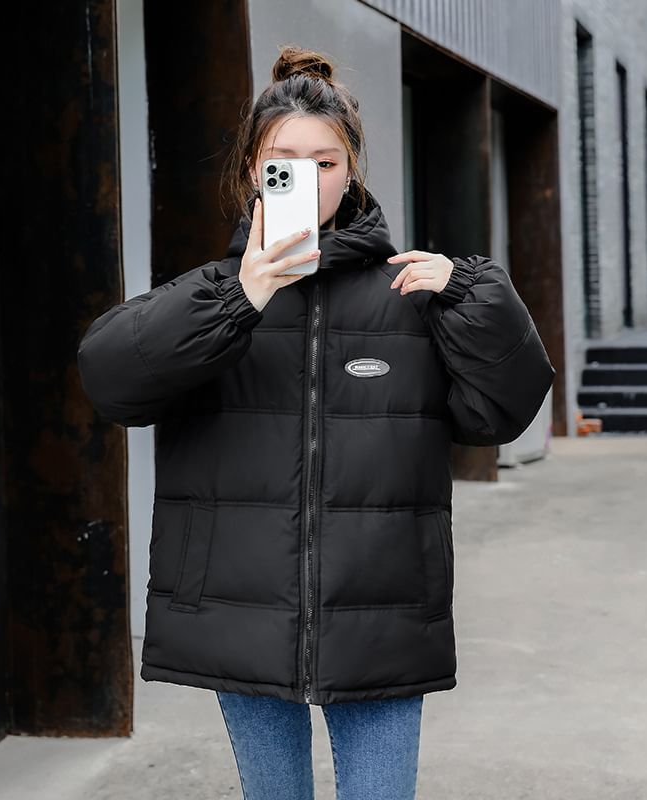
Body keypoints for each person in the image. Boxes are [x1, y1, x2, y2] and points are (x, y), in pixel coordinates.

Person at [77, 44, 555, 800]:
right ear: (253, 171)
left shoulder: (410, 295)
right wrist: (237, 300)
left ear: (352, 168)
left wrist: (476, 297)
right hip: (241, 607)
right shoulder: (212, 298)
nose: (308, 179)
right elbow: (111, 381)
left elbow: (499, 412)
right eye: (284, 164)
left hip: (383, 610)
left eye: (325, 162)